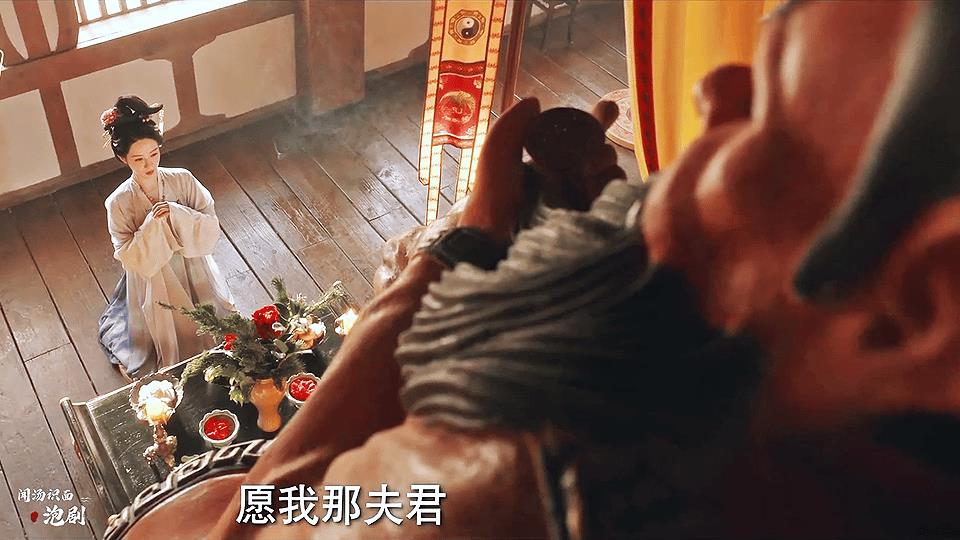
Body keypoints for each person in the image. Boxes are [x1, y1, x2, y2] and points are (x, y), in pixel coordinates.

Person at [106, 2, 960, 538]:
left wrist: (455, 250)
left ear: (927, 302)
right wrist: (617, 237)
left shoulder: (505, 481)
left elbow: (262, 513)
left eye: (770, 111)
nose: (711, 96)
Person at [98, 95, 235, 380]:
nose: (149, 164)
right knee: (167, 333)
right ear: (123, 158)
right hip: (153, 277)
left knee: (215, 324)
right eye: (138, 159)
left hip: (192, 265)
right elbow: (127, 256)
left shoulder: (182, 179)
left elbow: (210, 222)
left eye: (154, 154)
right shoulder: (118, 202)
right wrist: (152, 225)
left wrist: (176, 213)